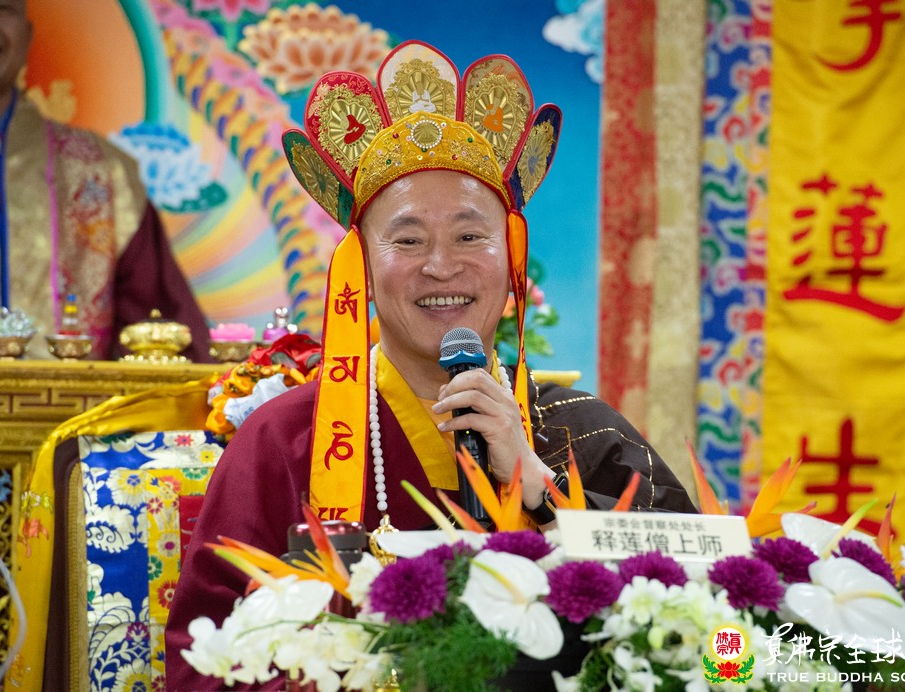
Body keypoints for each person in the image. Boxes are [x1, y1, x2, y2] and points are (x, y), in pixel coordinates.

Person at [166, 41, 695, 689]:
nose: (442, 266)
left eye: (471, 236)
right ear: (362, 266)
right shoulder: (284, 441)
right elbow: (201, 661)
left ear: (511, 261)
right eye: (408, 239)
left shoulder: (583, 431)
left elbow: (697, 617)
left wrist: (539, 487)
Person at [0, 0, 211, 361]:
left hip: (74, 398)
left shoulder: (101, 171)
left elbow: (163, 336)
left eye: (0, 7)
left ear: (28, 35)